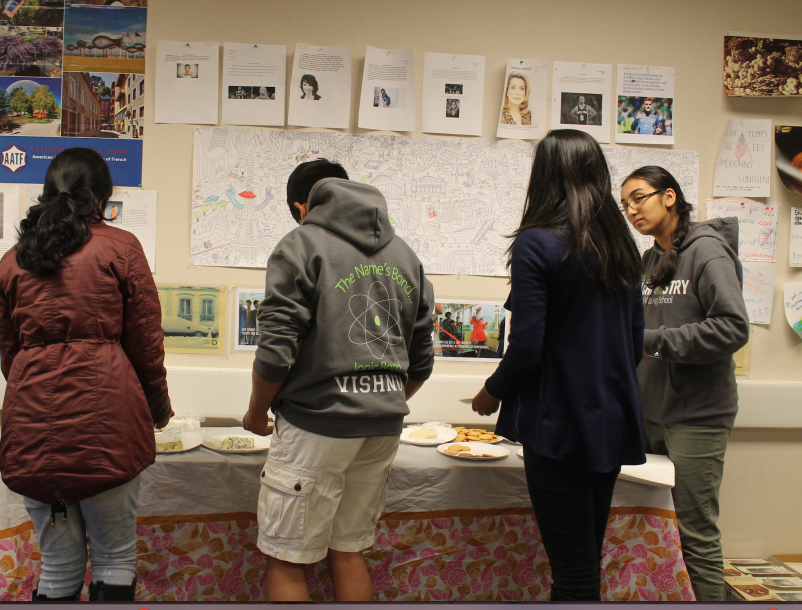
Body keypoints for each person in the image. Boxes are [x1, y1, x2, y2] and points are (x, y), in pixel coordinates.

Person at [242, 159, 435, 601]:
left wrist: (256, 414)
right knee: (347, 552)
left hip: (316, 424)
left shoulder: (300, 243)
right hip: (382, 427)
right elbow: (421, 360)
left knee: (288, 558)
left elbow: (276, 349)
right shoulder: (406, 255)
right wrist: (379, 398)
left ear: (302, 206)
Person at [471, 129, 646, 601]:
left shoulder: (537, 242)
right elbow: (634, 344)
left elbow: (528, 345)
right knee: (585, 559)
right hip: (610, 418)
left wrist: (492, 392)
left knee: (573, 572)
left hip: (560, 424)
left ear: (543, 176)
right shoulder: (621, 243)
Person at [0, 148, 172, 602]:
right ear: (102, 198)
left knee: (56, 564)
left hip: (31, 424)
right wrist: (156, 409)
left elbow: (9, 356)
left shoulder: (14, 259)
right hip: (107, 420)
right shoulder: (120, 246)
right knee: (114, 558)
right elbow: (146, 342)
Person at [620, 166, 749, 601]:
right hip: (649, 414)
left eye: (639, 197)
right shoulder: (649, 259)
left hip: (696, 416)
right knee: (654, 530)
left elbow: (732, 328)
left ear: (669, 196)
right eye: (626, 204)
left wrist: (651, 342)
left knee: (694, 536)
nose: (632, 209)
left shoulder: (708, 251)